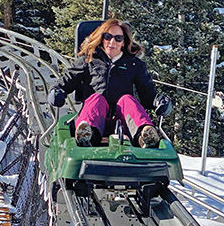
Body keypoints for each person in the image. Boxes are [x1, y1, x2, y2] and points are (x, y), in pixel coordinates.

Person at [47, 19, 172, 147]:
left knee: (127, 99)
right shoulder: (89, 60)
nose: (112, 42)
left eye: (118, 38)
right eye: (108, 37)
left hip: (122, 122)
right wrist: (56, 91)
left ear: (124, 42)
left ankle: (144, 134)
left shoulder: (133, 64)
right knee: (97, 98)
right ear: (102, 38)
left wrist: (159, 101)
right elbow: (67, 80)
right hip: (95, 117)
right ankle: (87, 134)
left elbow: (148, 95)